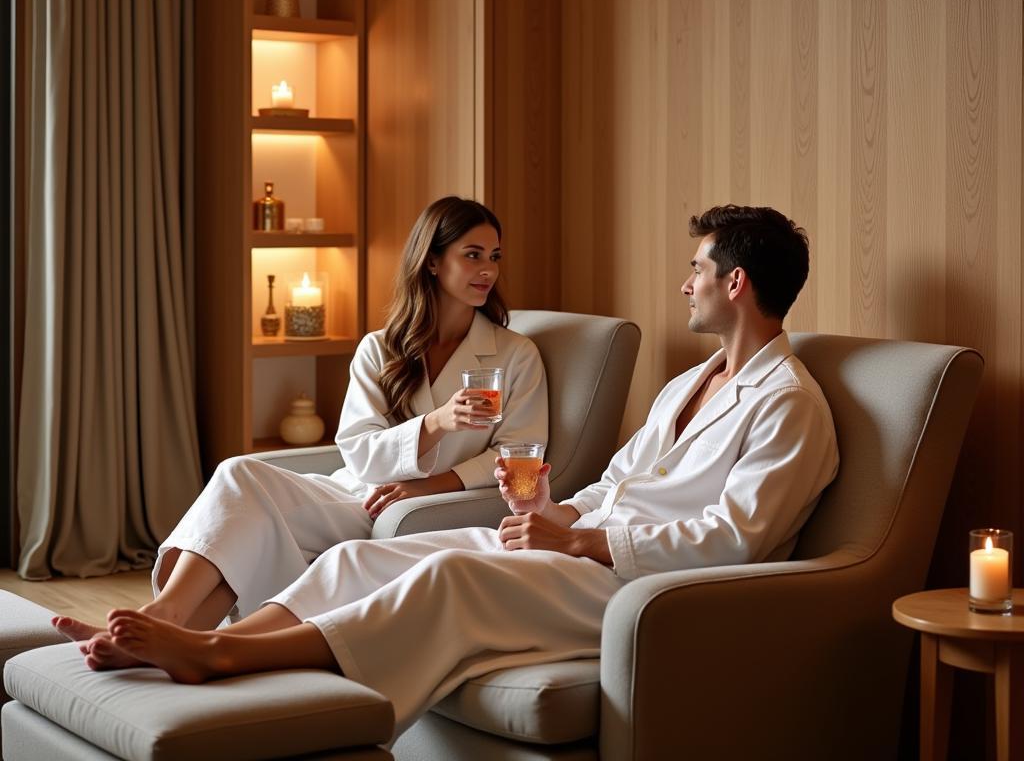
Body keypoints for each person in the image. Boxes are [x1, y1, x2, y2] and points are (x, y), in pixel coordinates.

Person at [97, 204, 839, 740]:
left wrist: (587, 542)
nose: (686, 285)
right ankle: (206, 640)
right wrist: (563, 516)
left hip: (640, 585)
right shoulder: (689, 384)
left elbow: (739, 538)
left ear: (735, 283)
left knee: (448, 578)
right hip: (581, 549)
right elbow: (615, 482)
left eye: (697, 269)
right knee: (361, 556)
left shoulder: (789, 405)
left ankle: (225, 653)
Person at [54, 196, 548, 667]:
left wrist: (427, 485)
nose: (488, 269)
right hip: (358, 489)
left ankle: (156, 625)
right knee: (241, 488)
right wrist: (437, 423)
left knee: (241, 487)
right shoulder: (381, 348)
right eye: (472, 255)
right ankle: (166, 635)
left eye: (495, 256)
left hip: (406, 507)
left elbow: (520, 452)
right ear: (433, 262)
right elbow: (356, 452)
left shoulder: (515, 354)